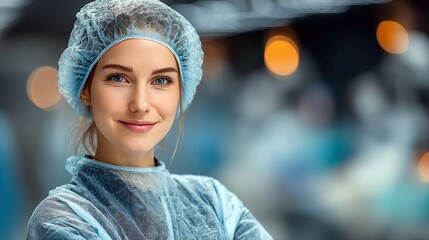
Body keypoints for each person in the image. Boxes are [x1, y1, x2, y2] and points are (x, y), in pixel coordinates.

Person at [26, 0, 272, 239]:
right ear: (85, 89)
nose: (140, 104)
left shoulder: (215, 203)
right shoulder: (64, 220)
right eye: (119, 78)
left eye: (161, 80)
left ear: (180, 91)